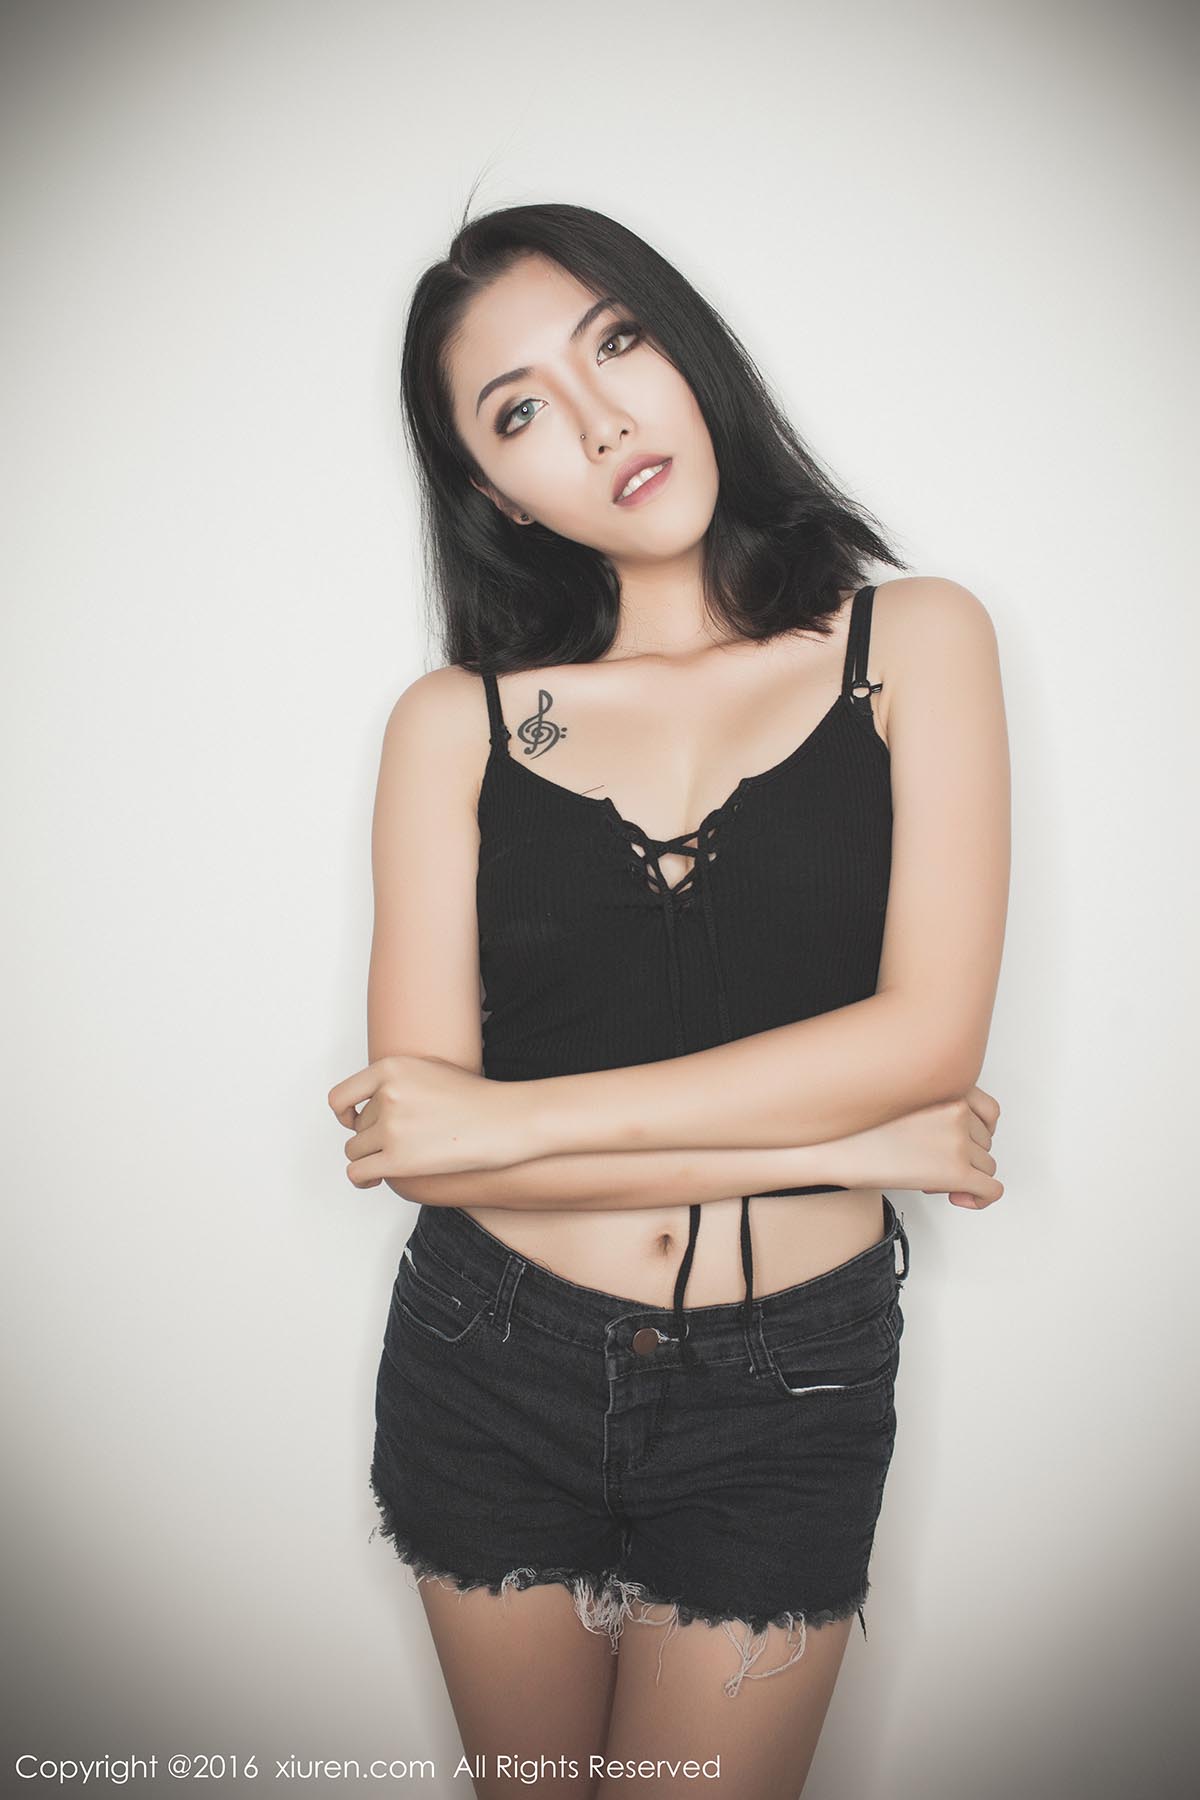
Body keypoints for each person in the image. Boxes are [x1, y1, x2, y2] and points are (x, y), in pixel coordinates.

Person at [329, 201, 1010, 1799]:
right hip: (489, 1356)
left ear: (687, 350)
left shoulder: (913, 642)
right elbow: (424, 1149)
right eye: (520, 412)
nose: (599, 421)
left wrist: (500, 1124)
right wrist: (856, 1145)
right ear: (493, 490)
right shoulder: (456, 726)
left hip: (792, 1383)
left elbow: (929, 1042)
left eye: (617, 344)